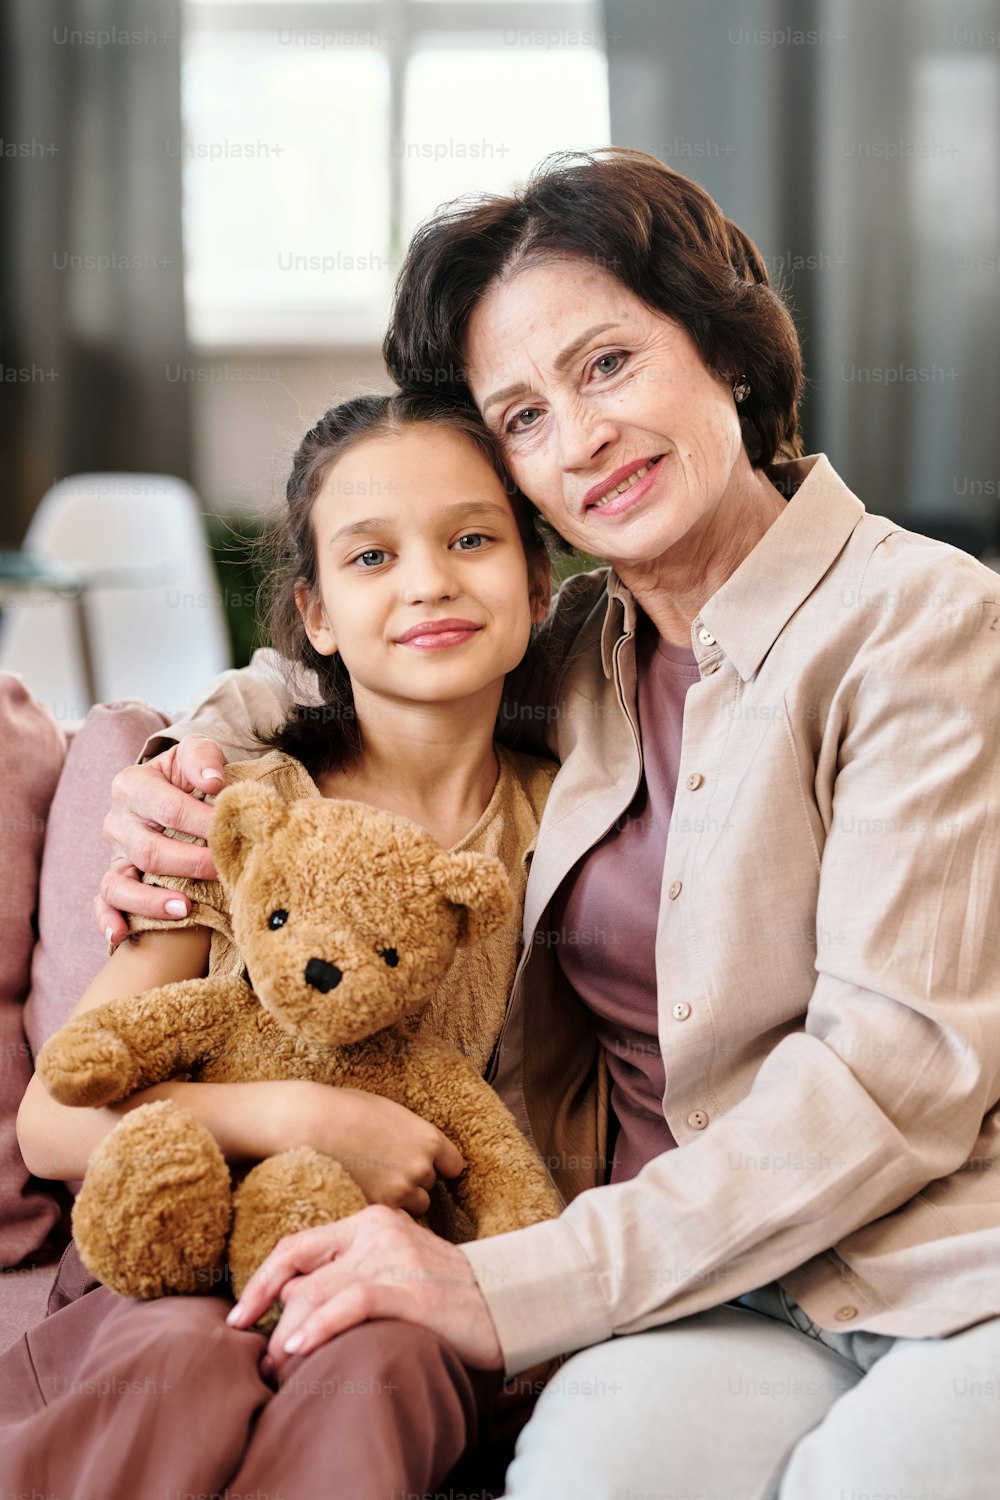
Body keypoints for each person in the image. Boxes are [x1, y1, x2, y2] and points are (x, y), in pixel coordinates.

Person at [75, 149, 1000, 1497]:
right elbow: (348, 663)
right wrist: (179, 758)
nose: (579, 440)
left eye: (608, 365)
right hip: (725, 1296)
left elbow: (884, 1085)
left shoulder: (928, 629)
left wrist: (504, 1284)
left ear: (726, 349)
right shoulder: (582, 647)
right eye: (521, 416)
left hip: (945, 1264)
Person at [2, 392, 557, 1497]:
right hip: (178, 1256)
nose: (428, 582)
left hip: (411, 1279)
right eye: (369, 556)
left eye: (472, 539)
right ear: (314, 612)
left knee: (376, 1371)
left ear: (540, 586)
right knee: (179, 1361)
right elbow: (56, 1118)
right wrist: (305, 1115)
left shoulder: (577, 822)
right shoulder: (238, 814)